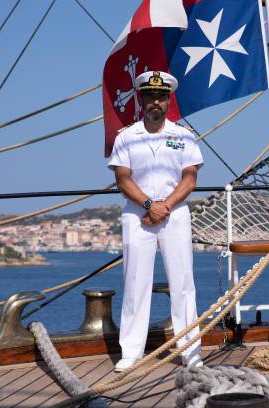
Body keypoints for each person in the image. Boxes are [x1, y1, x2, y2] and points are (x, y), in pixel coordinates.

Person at [107, 71, 203, 372]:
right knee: (135, 281)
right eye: (150, 96)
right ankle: (131, 351)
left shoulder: (184, 136)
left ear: (168, 100)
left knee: (183, 283)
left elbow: (190, 178)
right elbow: (122, 179)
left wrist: (164, 206)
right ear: (141, 99)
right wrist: (149, 204)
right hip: (137, 214)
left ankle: (190, 352)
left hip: (174, 213)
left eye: (161, 97)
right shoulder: (126, 137)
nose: (155, 102)